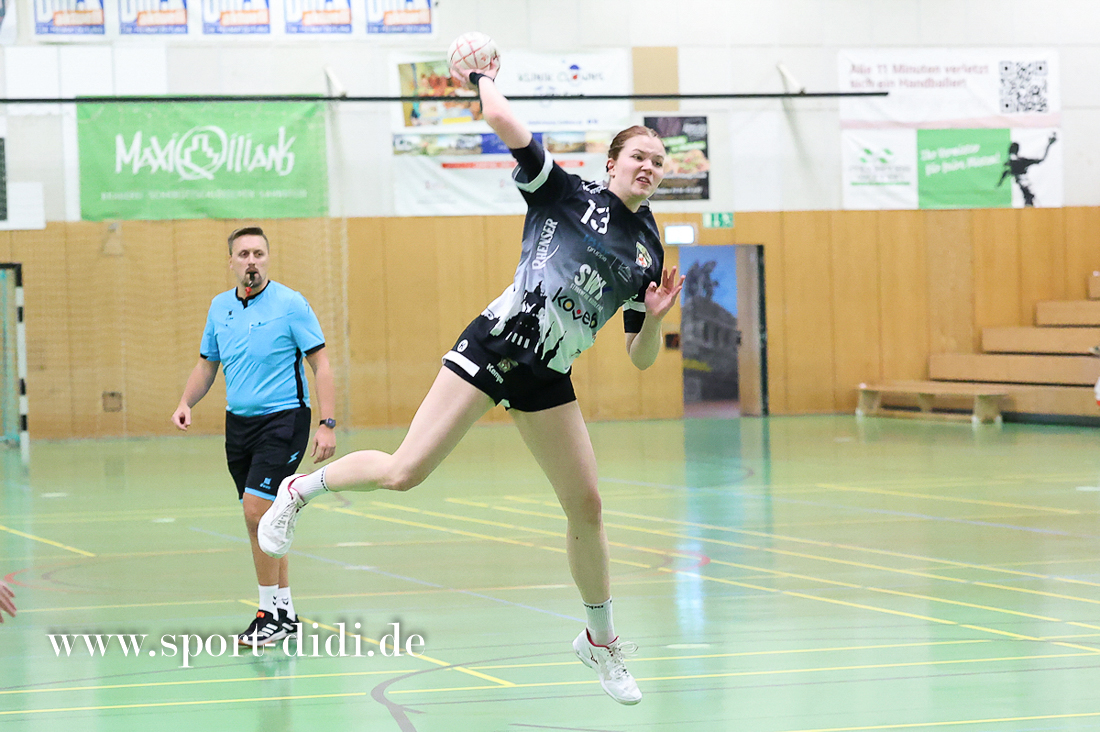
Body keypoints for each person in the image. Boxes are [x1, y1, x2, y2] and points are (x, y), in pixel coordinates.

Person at [259, 56, 682, 705]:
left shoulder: (648, 250)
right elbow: (504, 120)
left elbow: (641, 357)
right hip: (493, 346)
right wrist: (482, 74)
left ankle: (600, 641)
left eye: (658, 161)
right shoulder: (565, 195)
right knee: (405, 471)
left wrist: (652, 319)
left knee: (587, 505)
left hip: (548, 373)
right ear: (613, 163)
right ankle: (299, 490)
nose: (649, 167)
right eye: (639, 157)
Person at [172, 226, 337, 647]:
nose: (251, 261)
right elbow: (207, 364)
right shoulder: (219, 308)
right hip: (239, 425)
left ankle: (268, 615)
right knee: (266, 518)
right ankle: (285, 612)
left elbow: (321, 364)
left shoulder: (291, 304)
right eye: (244, 254)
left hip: (284, 420)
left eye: (258, 253)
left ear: (268, 259)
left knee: (256, 513)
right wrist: (186, 401)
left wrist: (327, 423)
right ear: (231, 261)